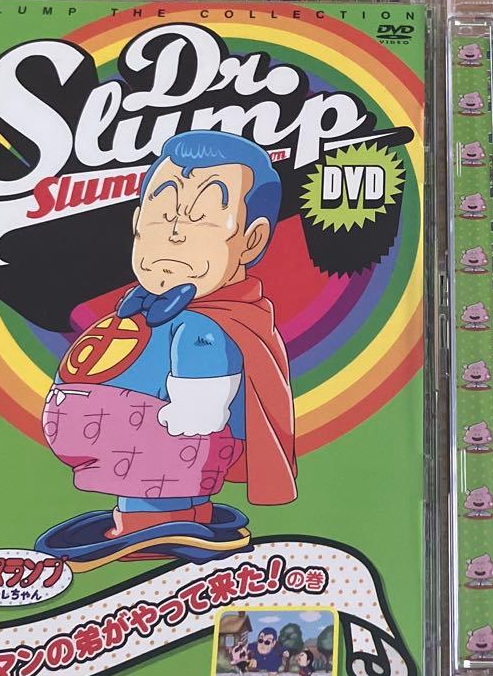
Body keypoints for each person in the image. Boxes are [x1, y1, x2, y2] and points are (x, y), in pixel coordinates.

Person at [35, 130, 297, 570]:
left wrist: (191, 414)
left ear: (251, 240)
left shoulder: (204, 327)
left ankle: (162, 522)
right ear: (137, 223)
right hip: (123, 454)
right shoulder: (136, 310)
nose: (175, 234)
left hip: (175, 451)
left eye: (203, 219)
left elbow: (203, 404)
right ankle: (141, 518)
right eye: (162, 213)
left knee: (173, 464)